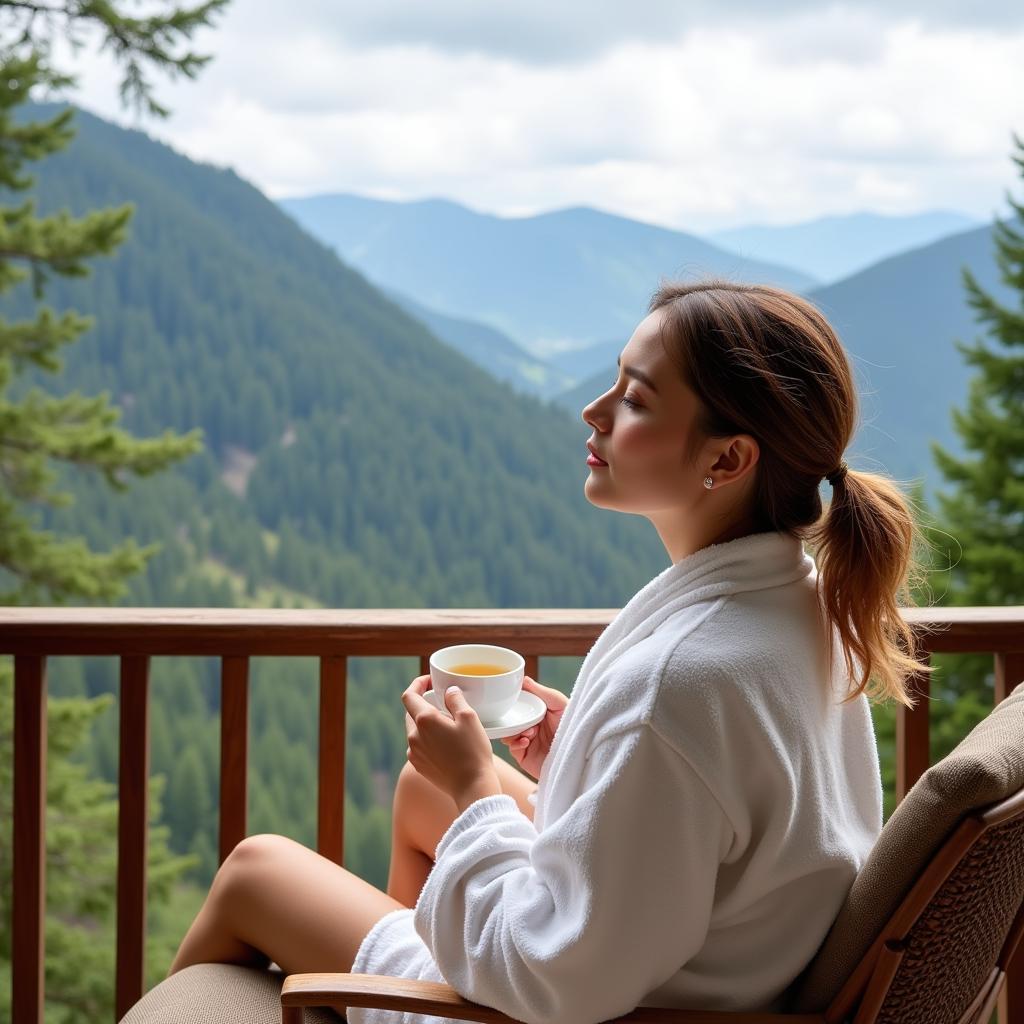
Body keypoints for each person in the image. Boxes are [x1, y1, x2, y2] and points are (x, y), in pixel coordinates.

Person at [166, 278, 932, 1023]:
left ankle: (413, 1004)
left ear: (727, 461)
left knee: (255, 871)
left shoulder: (679, 685)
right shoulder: (801, 604)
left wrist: (476, 785)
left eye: (635, 400)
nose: (593, 412)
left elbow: (556, 981)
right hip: (703, 961)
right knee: (417, 786)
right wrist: (583, 759)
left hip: (588, 1005)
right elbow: (726, 809)